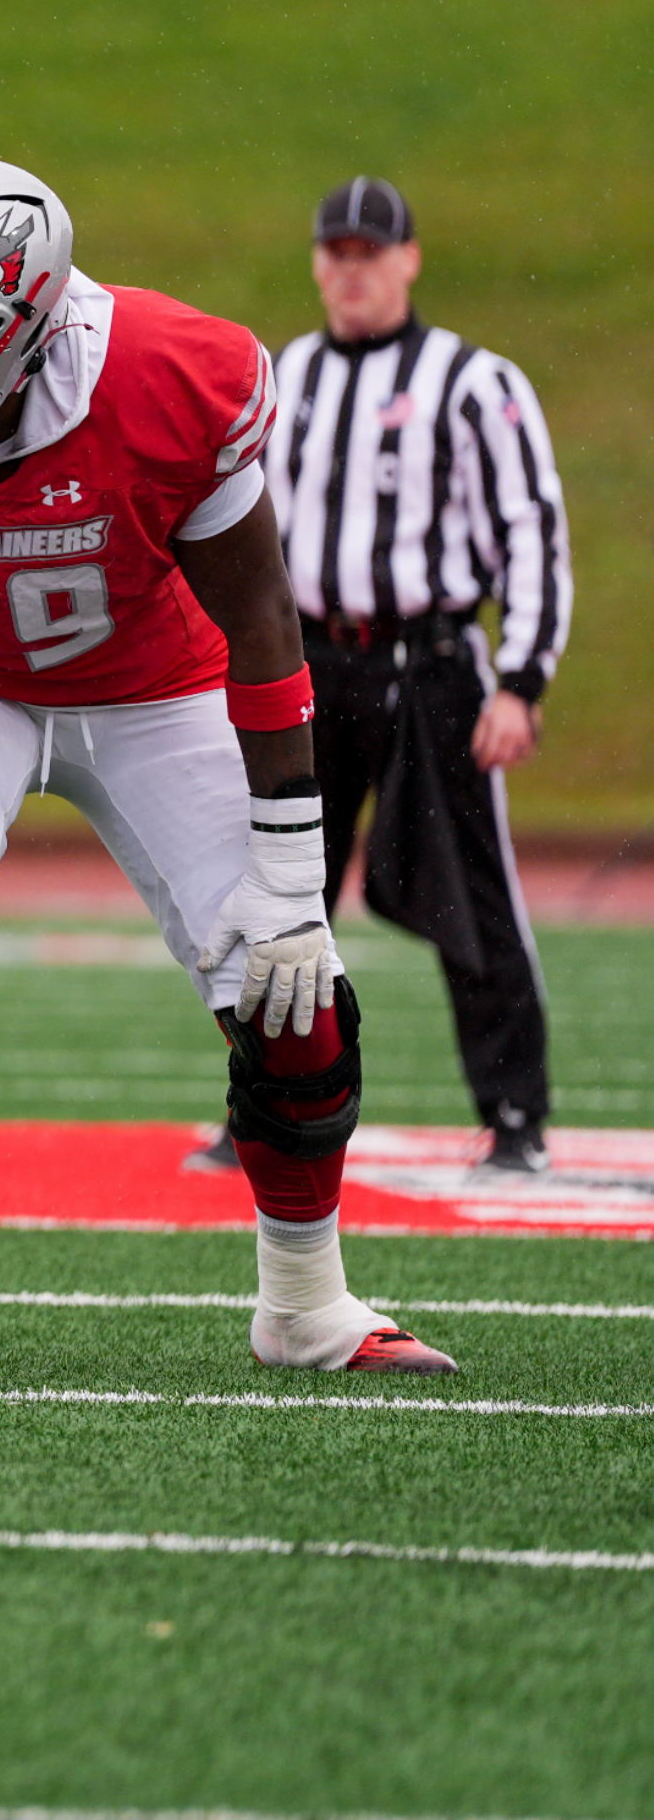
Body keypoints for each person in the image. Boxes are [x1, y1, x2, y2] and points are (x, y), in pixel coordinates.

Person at [0, 156, 456, 1379]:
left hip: (153, 684)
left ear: (20, 332)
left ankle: (306, 1304)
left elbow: (263, 624)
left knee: (297, 998)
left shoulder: (168, 376)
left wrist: (287, 872)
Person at [254, 175, 571, 1173]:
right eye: (335, 253)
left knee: (474, 896)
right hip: (311, 662)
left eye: (369, 252)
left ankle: (515, 1116)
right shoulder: (284, 375)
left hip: (429, 666)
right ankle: (267, 1111)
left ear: (408, 258)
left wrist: (521, 678)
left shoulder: (476, 383)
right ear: (317, 262)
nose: (350, 271)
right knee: (278, 890)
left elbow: (531, 532)